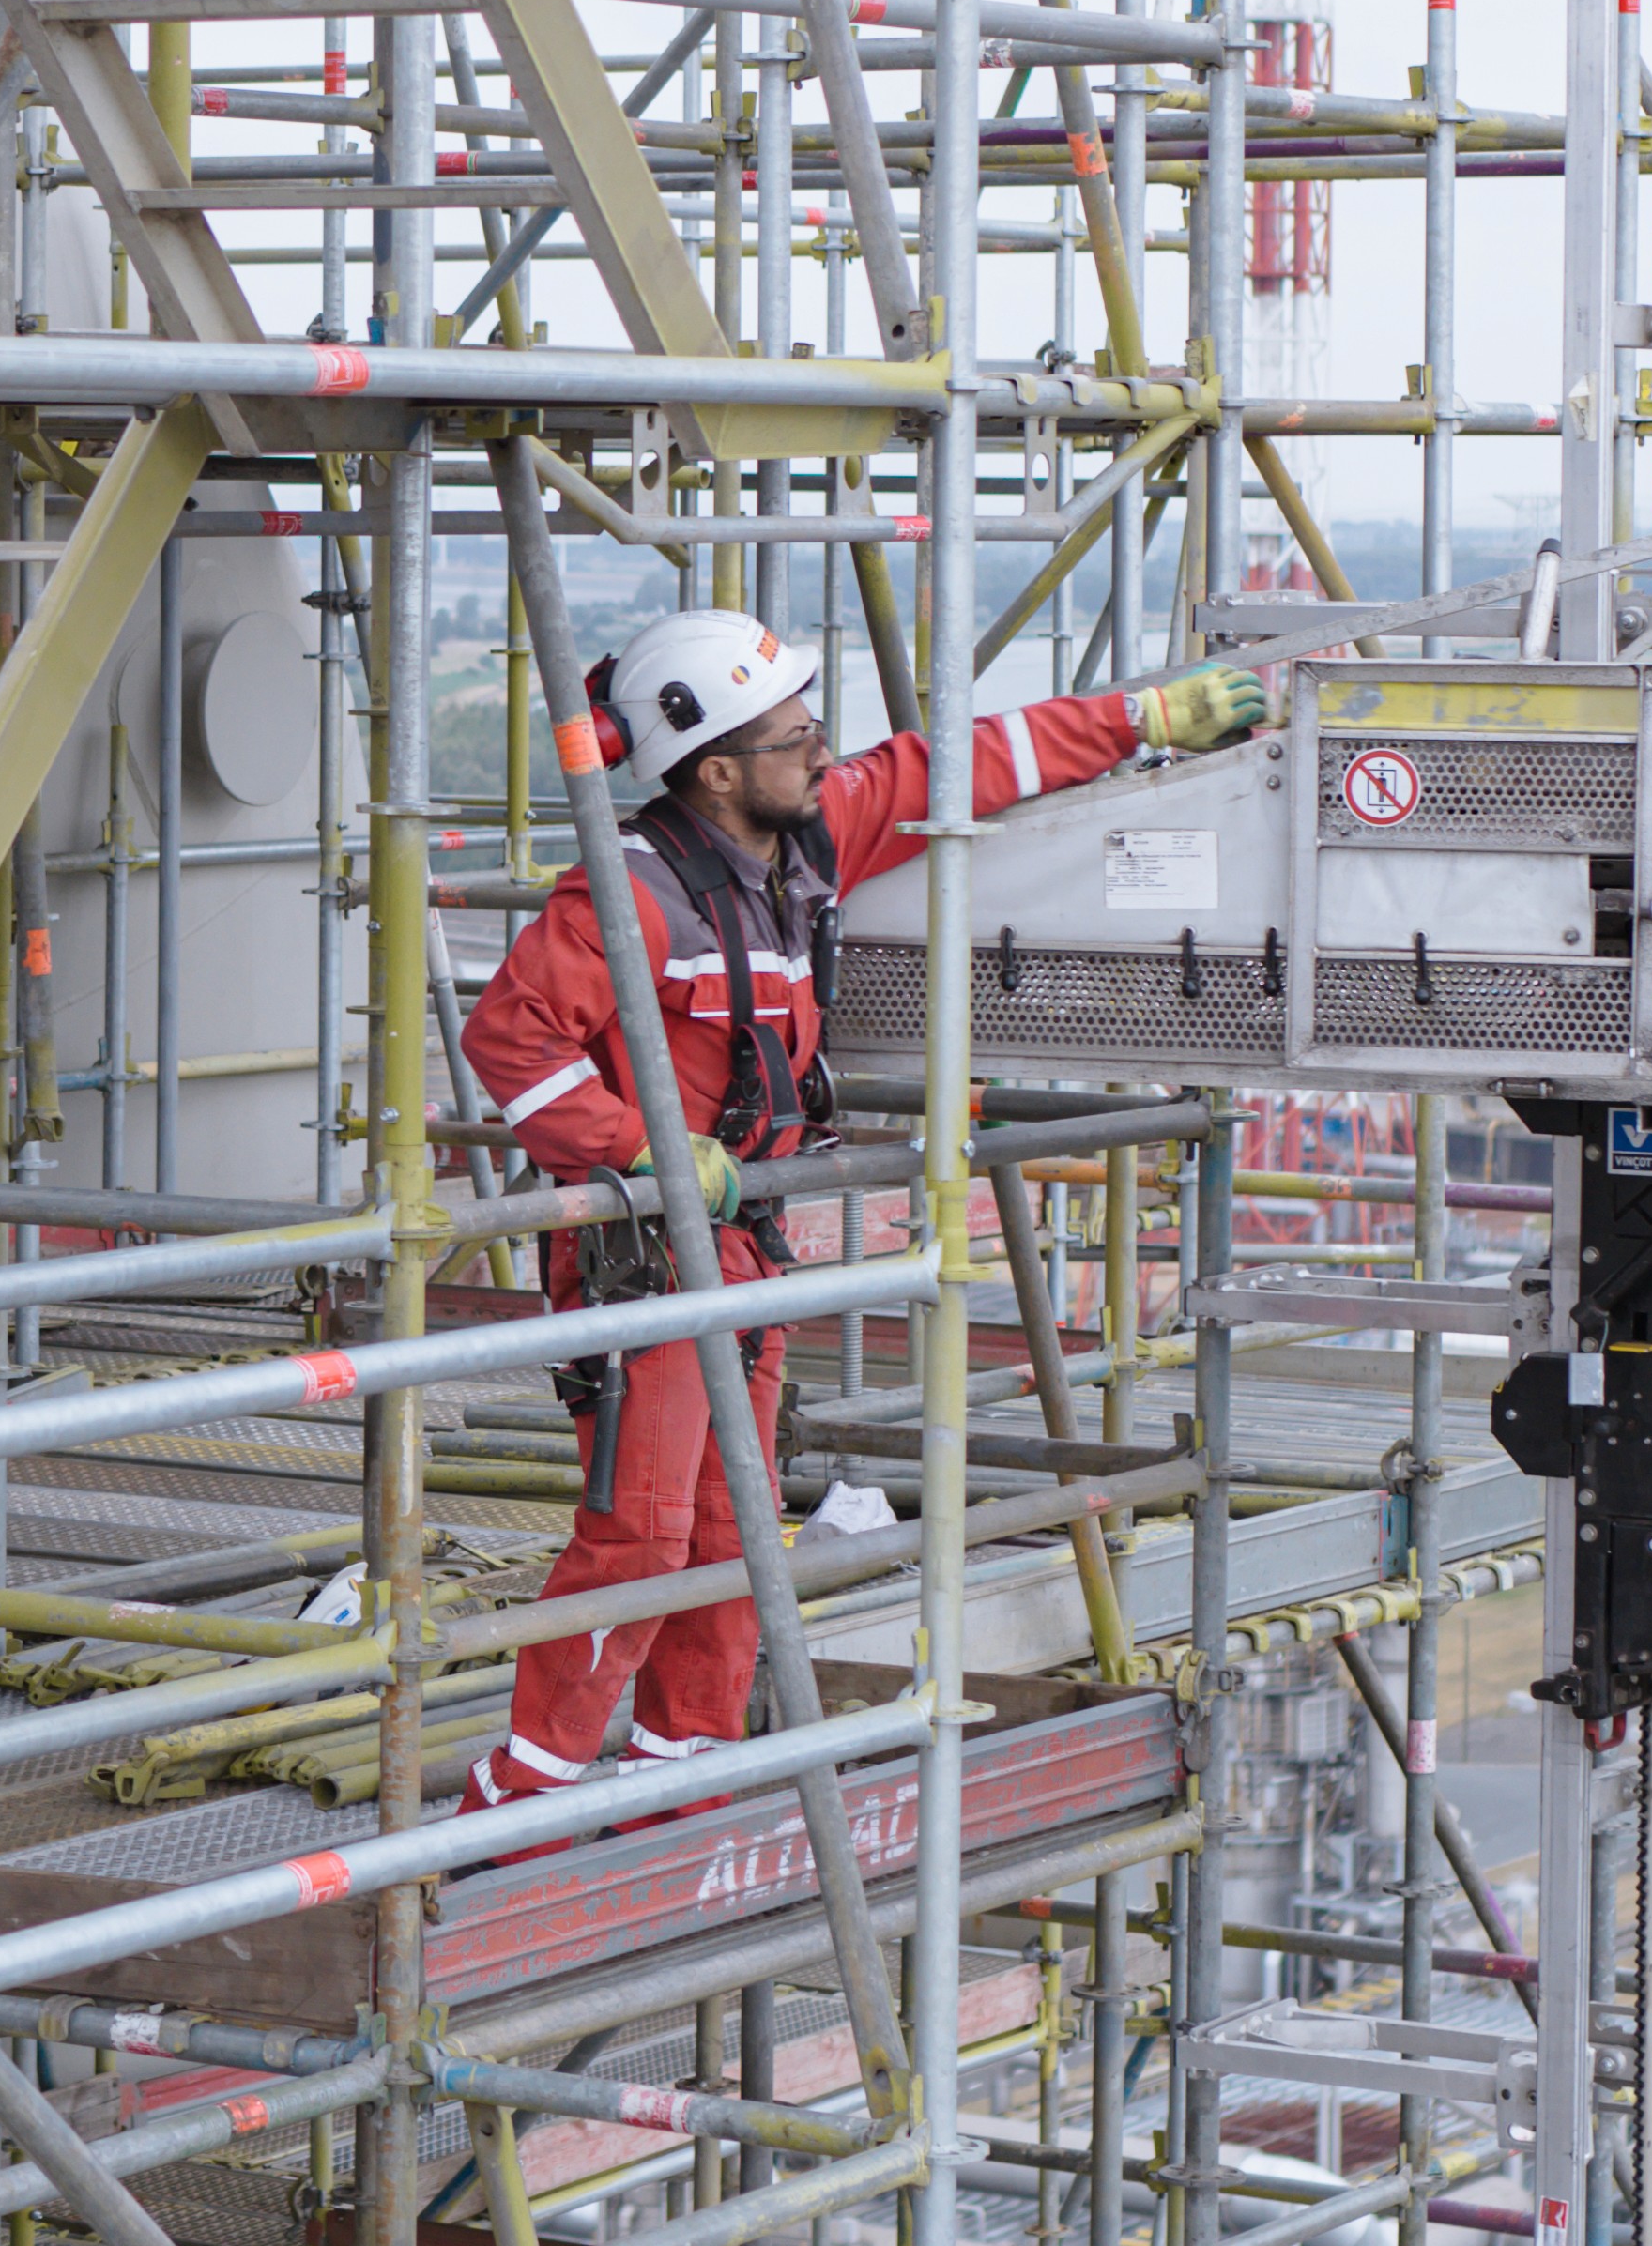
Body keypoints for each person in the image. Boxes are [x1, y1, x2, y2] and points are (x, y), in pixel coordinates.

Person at [451, 611, 1269, 1808]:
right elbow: (510, 1036)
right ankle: (518, 1804)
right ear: (716, 768)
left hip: (740, 1239)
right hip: (652, 1253)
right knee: (639, 1532)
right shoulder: (629, 896)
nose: (821, 753)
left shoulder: (803, 835)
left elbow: (961, 765)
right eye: (793, 739)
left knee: (731, 1523)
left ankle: (687, 1765)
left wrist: (1139, 720)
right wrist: (646, 1148)